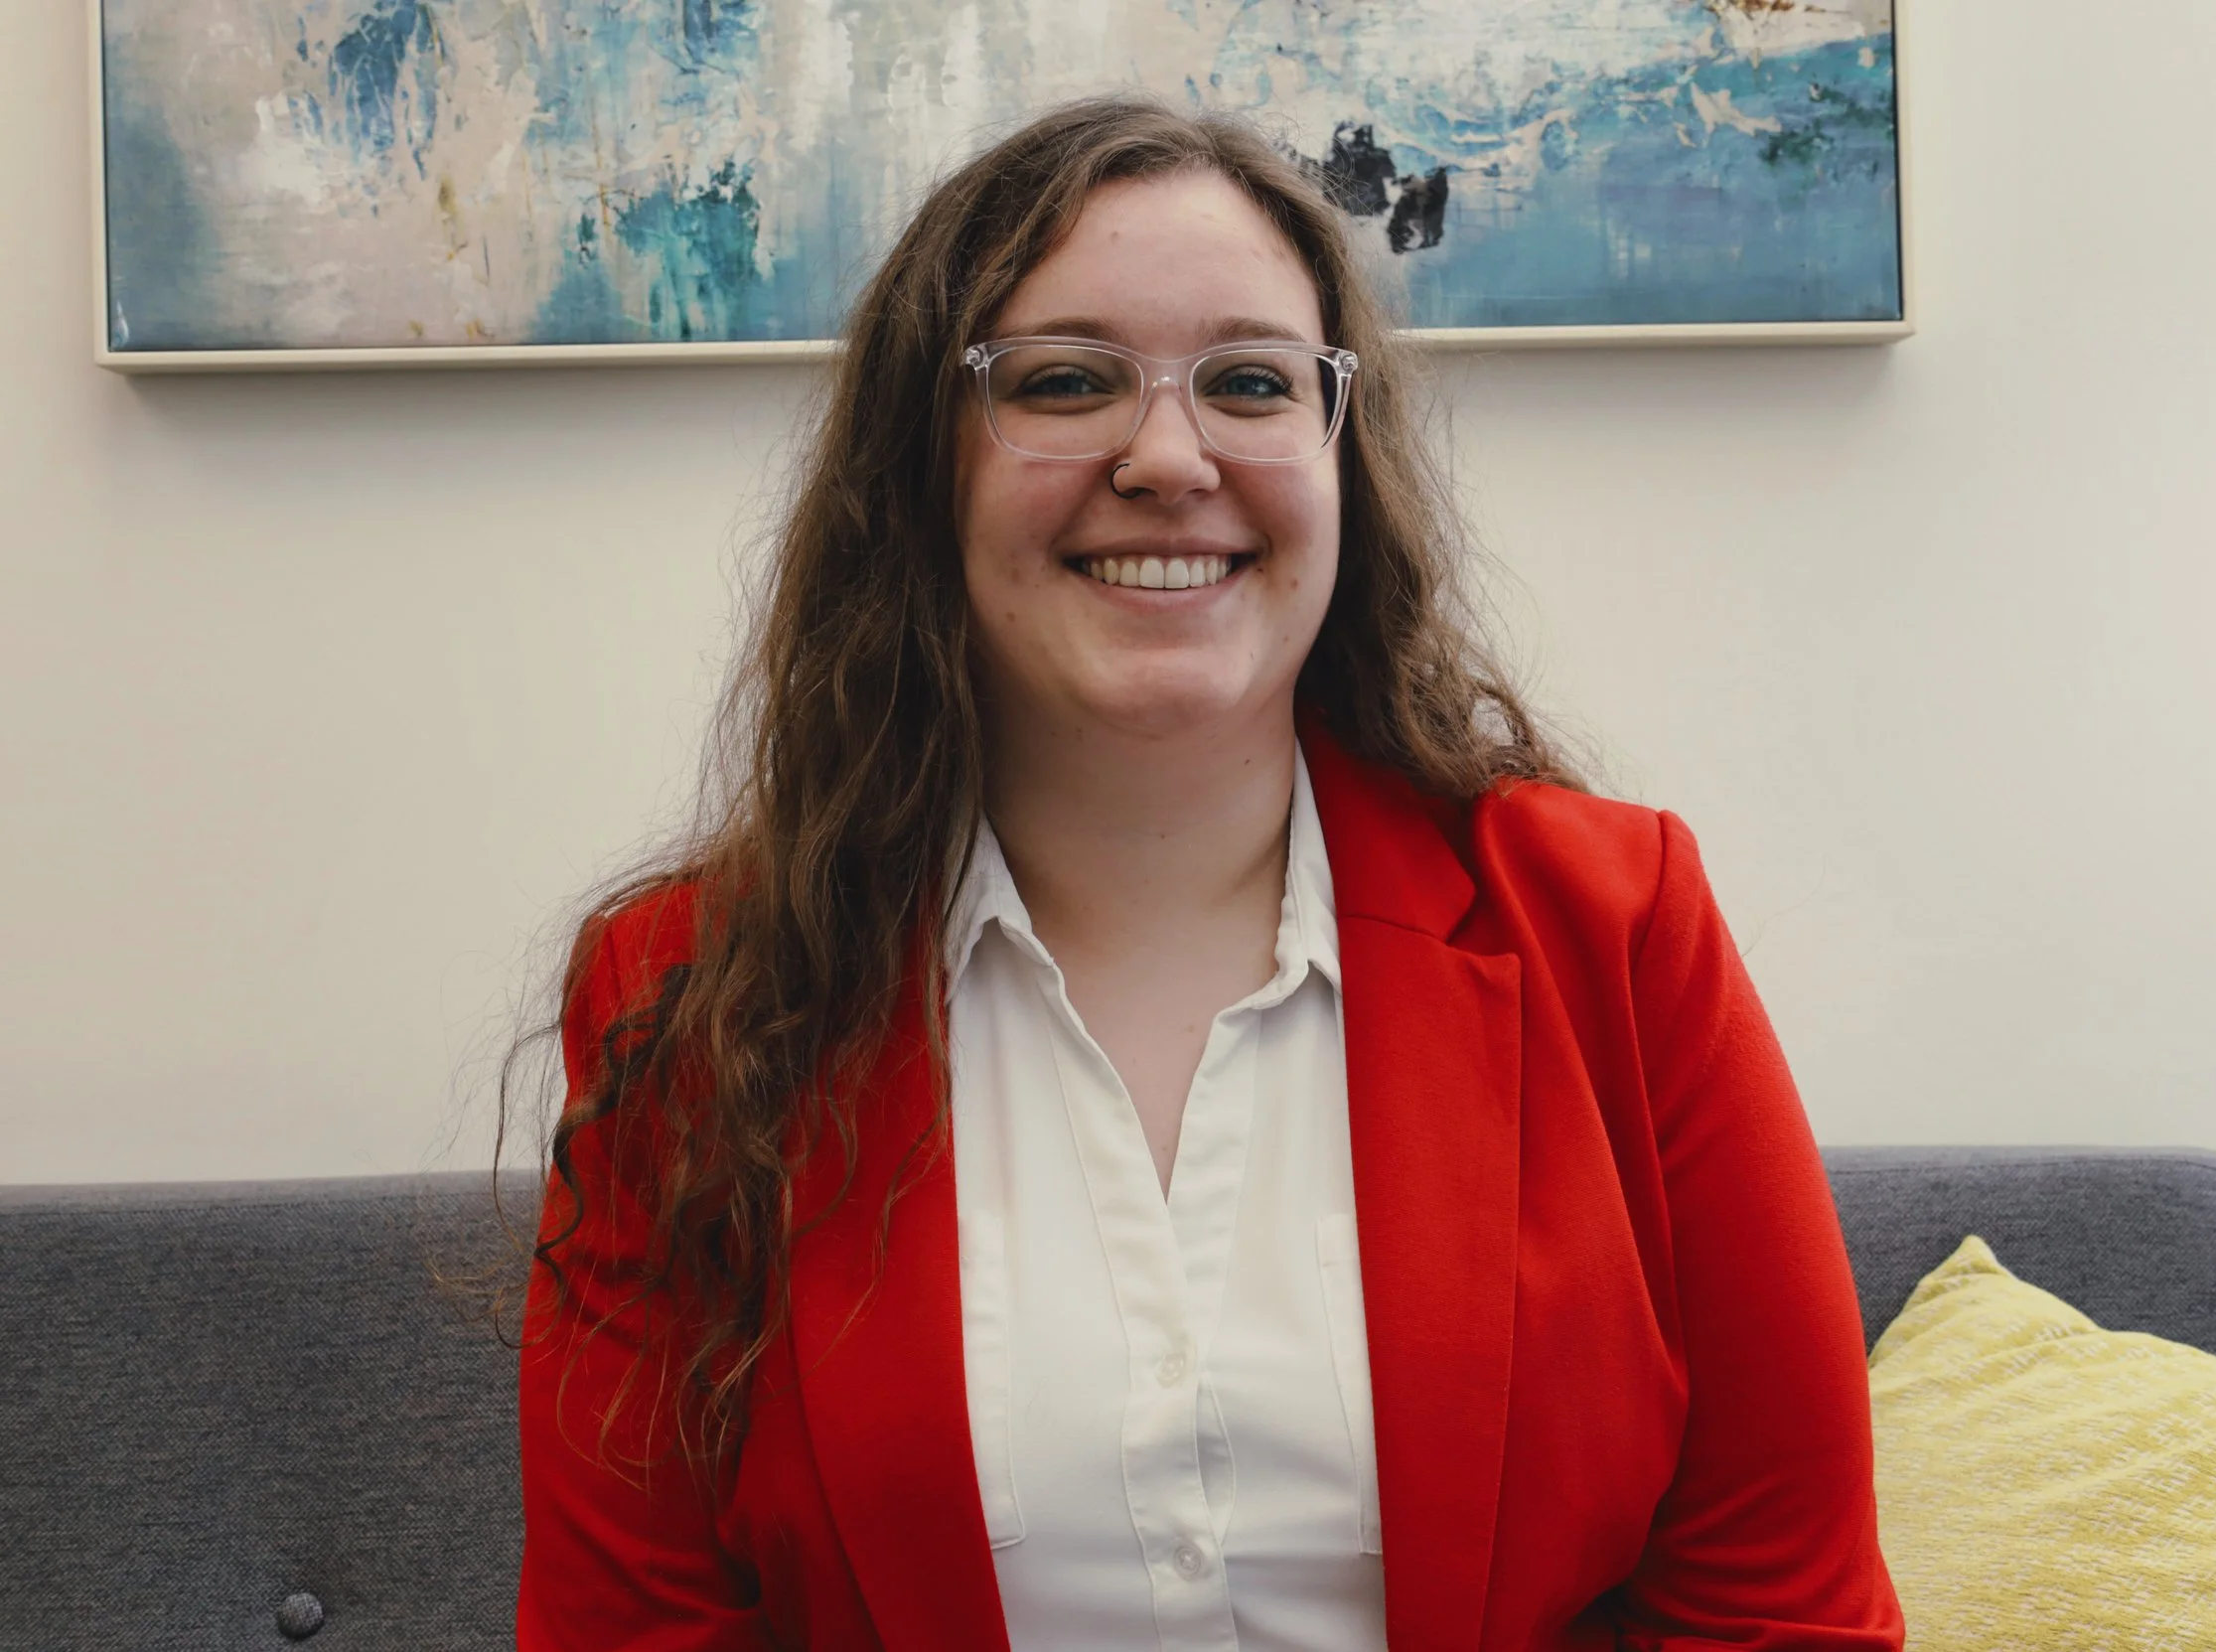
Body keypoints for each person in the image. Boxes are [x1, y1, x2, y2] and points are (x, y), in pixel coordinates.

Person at [515, 96, 1903, 1652]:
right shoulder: (687, 997)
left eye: (1250, 381)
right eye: (1065, 380)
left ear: (1339, 455)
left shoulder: (1614, 924)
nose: (1169, 457)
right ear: (920, 474)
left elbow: (1784, 1607)